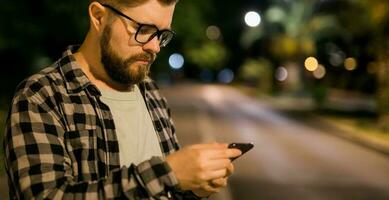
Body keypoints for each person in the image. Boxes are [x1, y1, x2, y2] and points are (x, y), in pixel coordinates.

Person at [3, 0, 242, 199]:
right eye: (144, 30)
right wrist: (168, 172)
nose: (155, 47)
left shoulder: (149, 91)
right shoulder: (41, 96)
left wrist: (192, 187)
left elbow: (165, 189)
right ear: (98, 17)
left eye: (161, 34)